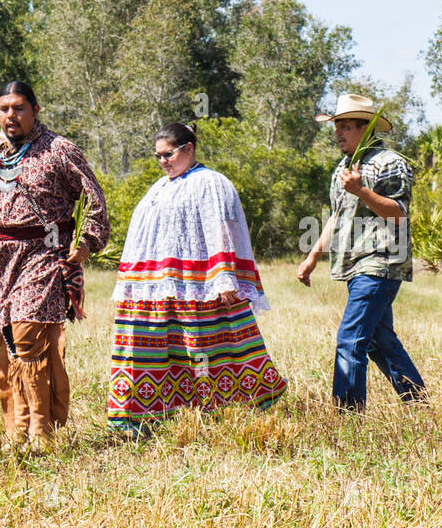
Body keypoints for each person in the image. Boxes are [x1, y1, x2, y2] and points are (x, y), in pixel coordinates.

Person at [0, 81, 110, 440]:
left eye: (19, 108)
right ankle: (16, 433)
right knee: (9, 342)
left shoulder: (59, 149)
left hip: (44, 253)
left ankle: (40, 433)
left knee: (26, 336)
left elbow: (94, 198)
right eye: (4, 109)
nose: (11, 115)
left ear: (35, 111)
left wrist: (85, 243)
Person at [108, 122, 286, 429]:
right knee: (152, 343)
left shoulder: (211, 183)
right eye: (157, 156)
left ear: (189, 149)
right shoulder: (159, 188)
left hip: (199, 283)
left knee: (207, 344)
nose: (162, 161)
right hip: (157, 285)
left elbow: (222, 228)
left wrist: (224, 276)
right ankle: (144, 415)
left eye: (168, 154)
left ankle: (229, 407)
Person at [297, 93, 425, 411]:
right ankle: (419, 402)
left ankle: (348, 415)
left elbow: (399, 213)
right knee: (379, 341)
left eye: (346, 126)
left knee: (350, 338)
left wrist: (361, 190)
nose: (338, 133)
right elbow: (337, 217)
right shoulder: (342, 168)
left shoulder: (390, 163)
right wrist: (312, 257)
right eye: (336, 126)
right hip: (353, 264)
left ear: (366, 129)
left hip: (381, 262)